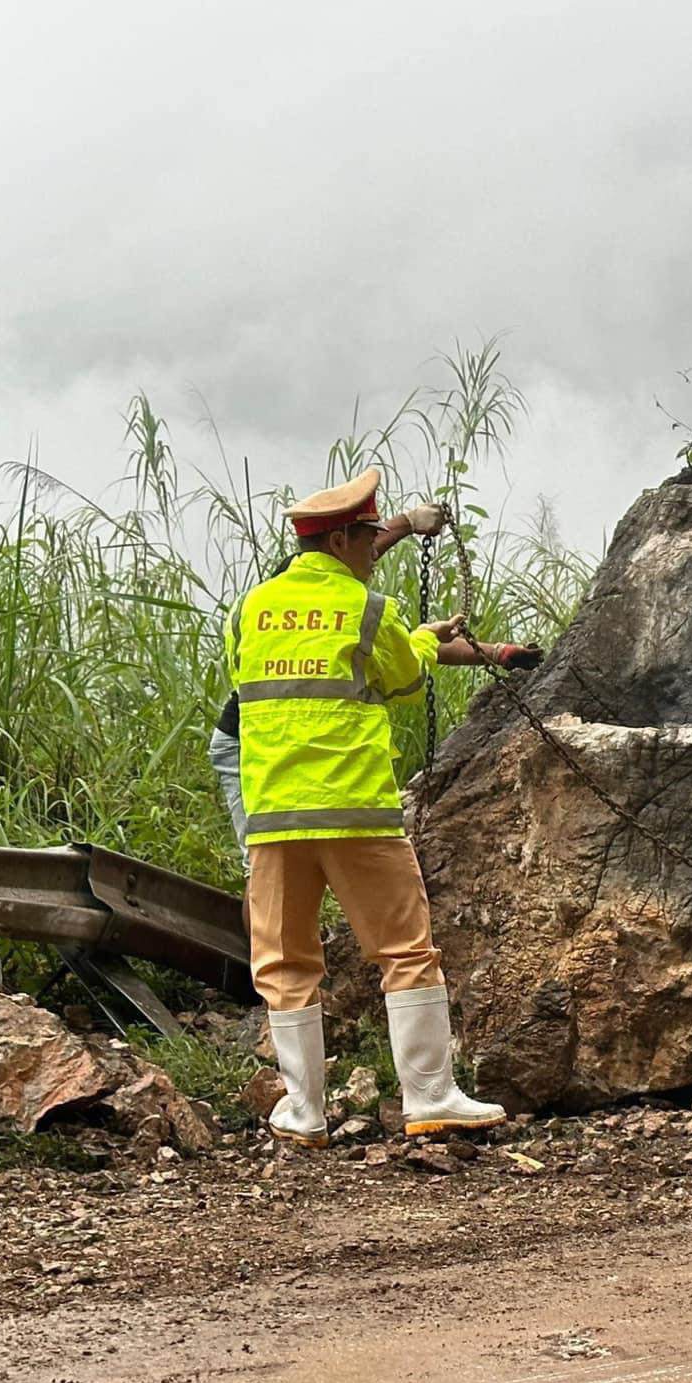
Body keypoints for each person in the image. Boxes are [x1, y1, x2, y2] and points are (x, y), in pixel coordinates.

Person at [227, 467, 536, 1146]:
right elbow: (401, 677)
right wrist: (426, 636)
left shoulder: (251, 608)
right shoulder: (370, 610)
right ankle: (430, 1097)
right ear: (339, 541)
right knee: (403, 949)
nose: (373, 545)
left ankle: (304, 1113)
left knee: (283, 962)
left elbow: (243, 678)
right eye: (368, 535)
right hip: (355, 810)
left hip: (274, 814)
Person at [208, 501, 541, 868]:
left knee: (279, 871)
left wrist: (498, 652)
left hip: (286, 753)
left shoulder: (339, 606)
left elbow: (409, 645)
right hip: (246, 743)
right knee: (259, 866)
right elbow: (412, 660)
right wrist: (408, 523)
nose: (370, 559)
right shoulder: (309, 596)